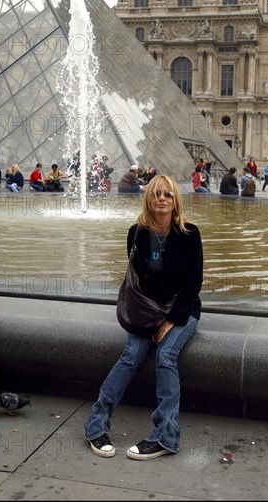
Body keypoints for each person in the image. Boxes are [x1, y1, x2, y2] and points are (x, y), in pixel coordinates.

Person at [84, 174, 203, 460]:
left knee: (165, 357)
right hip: (146, 311)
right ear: (148, 199)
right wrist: (148, 321)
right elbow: (139, 283)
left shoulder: (190, 234)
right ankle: (95, 425)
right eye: (156, 194)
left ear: (176, 201)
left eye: (168, 194)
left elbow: (193, 284)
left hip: (181, 311)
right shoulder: (136, 233)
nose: (162, 198)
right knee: (129, 356)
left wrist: (170, 321)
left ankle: (166, 436)